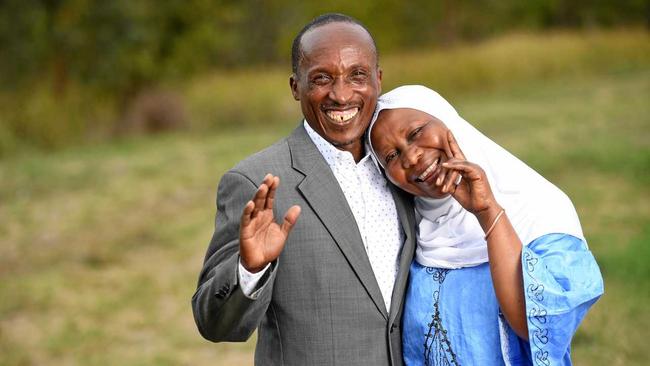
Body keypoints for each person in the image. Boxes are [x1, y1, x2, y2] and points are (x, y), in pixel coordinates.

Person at [191, 14, 416, 365]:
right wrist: (249, 270)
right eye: (321, 79)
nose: (341, 96)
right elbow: (214, 323)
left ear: (378, 79)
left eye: (357, 75)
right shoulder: (255, 182)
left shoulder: (402, 168)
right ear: (296, 87)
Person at [367, 85, 603, 365]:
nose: (411, 157)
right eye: (391, 156)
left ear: (447, 119)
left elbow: (537, 327)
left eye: (416, 133)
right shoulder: (411, 236)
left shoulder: (540, 211)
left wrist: (487, 212)